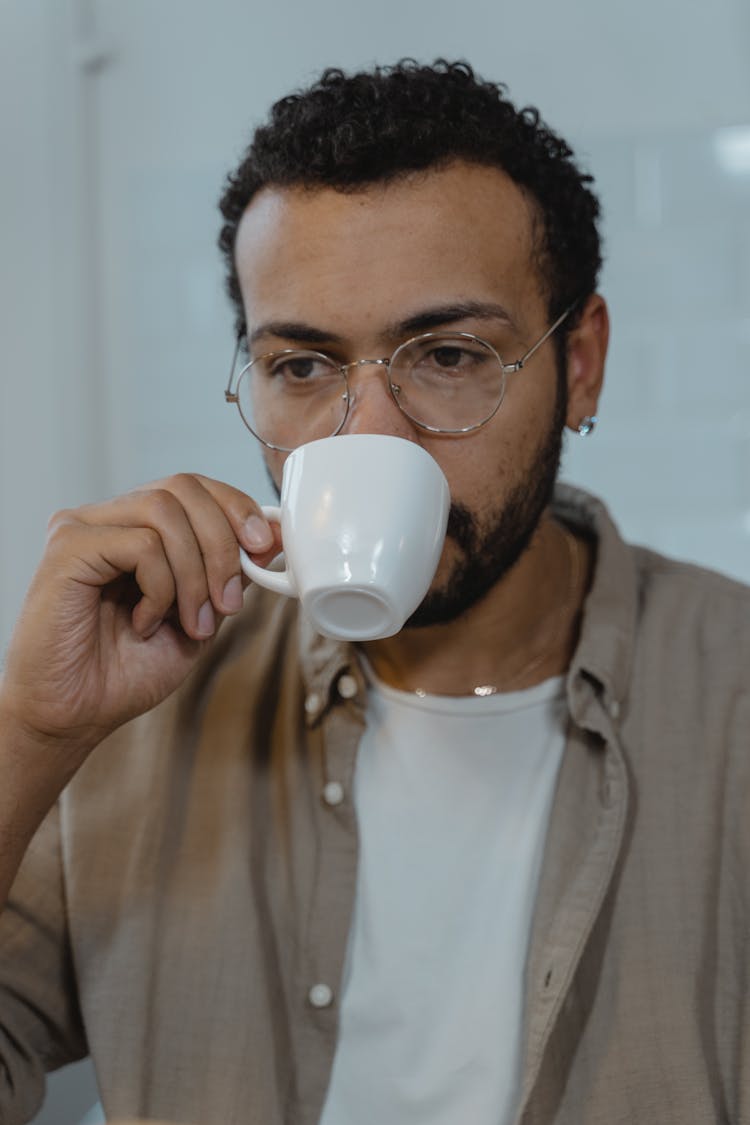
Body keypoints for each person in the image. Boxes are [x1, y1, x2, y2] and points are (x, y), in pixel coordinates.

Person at [0, 58, 748, 1125]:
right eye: (302, 368)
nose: (369, 439)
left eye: (446, 355)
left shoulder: (731, 705)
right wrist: (26, 732)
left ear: (579, 364)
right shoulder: (139, 705)